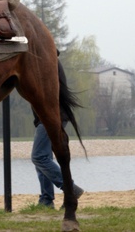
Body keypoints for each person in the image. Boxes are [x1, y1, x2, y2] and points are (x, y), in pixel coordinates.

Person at [31, 59, 83, 208]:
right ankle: (46, 200)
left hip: (52, 116)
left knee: (39, 157)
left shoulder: (47, 60)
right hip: (48, 116)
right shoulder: (47, 58)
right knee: (44, 157)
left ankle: (70, 189)